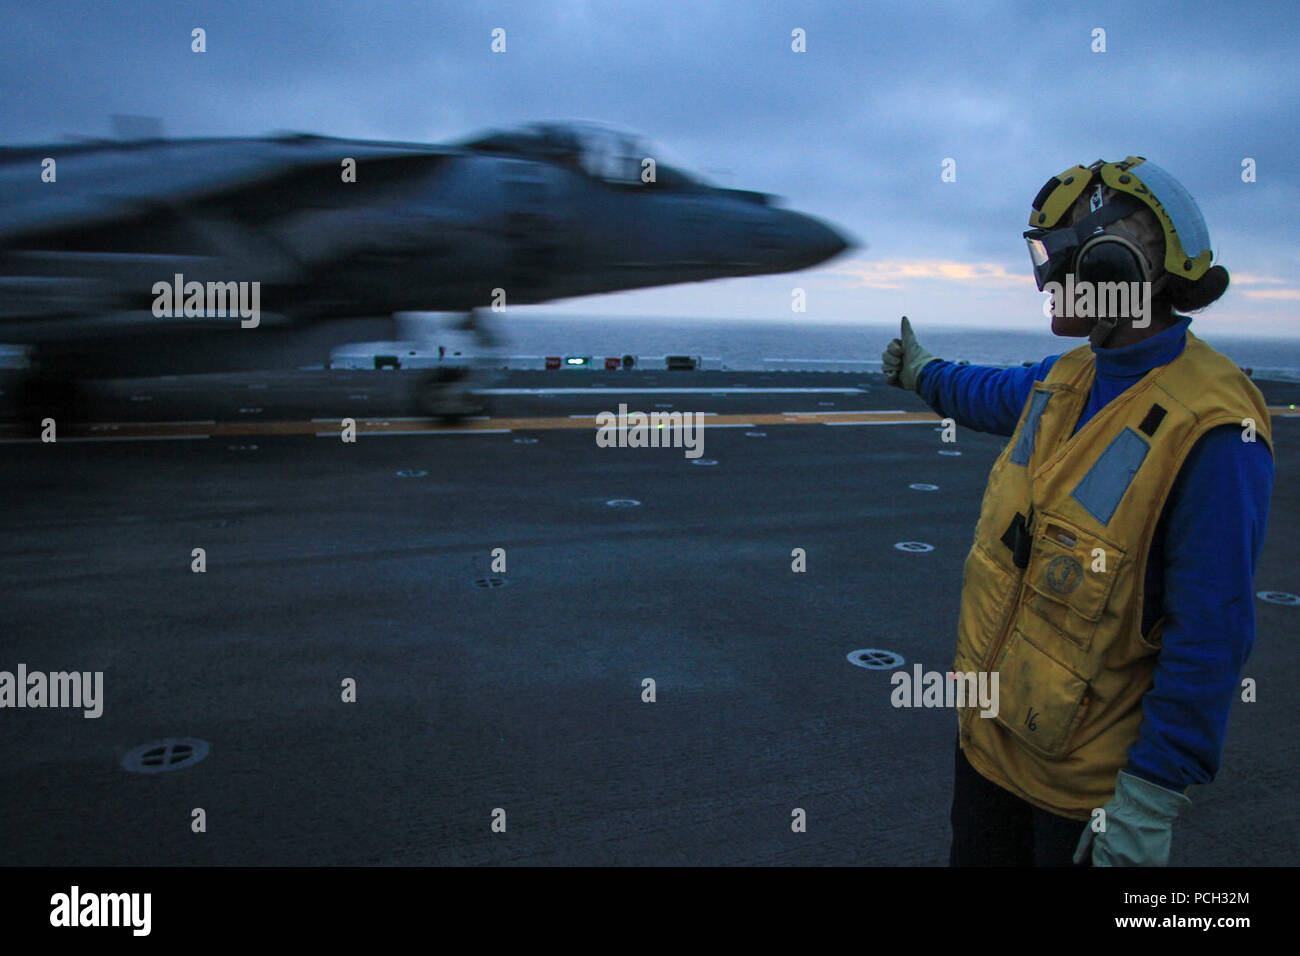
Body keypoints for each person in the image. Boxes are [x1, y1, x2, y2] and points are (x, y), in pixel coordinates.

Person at [882, 156, 1275, 866]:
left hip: (1082, 799)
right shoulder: (1068, 377)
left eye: (1052, 258)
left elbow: (1211, 635)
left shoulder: (1212, 428)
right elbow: (985, 392)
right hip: (989, 748)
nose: (1041, 282)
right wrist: (921, 371)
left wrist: (1150, 798)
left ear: (1112, 270)